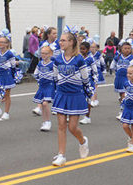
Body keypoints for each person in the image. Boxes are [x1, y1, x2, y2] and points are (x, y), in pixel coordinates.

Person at [49, 30, 91, 167]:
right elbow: (55, 77)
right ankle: (61, 155)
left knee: (72, 127)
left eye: (63, 40)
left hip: (75, 95)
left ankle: (83, 141)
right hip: (62, 94)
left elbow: (85, 78)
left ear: (71, 42)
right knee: (61, 126)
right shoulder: (57, 58)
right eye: (60, 40)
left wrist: (88, 93)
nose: (60, 42)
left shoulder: (79, 59)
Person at [0, 34, 17, 120]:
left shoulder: (9, 54)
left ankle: (6, 113)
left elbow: (13, 66)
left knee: (6, 95)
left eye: (3, 42)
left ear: (7, 44)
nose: (0, 43)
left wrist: (13, 76)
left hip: (7, 74)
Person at [31, 43, 55, 132]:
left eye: (46, 53)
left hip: (50, 86)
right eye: (42, 53)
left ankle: (48, 122)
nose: (43, 55)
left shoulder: (53, 64)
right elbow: (36, 73)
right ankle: (44, 121)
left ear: (50, 54)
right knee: (42, 103)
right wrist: (38, 79)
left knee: (45, 104)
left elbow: (56, 75)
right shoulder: (40, 63)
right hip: (42, 86)